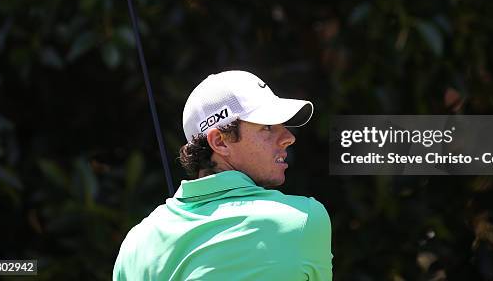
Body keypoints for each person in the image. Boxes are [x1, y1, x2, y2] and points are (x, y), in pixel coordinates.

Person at [113, 70, 333, 280]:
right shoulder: (304, 218)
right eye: (266, 126)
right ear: (220, 142)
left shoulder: (136, 243)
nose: (288, 137)